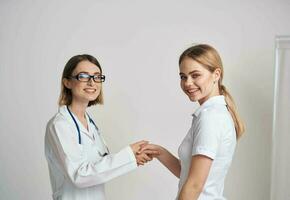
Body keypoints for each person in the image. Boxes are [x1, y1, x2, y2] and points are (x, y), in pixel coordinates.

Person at [44, 54, 158, 200]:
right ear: (67, 82)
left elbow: (98, 167)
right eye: (84, 76)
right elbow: (80, 176)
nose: (92, 82)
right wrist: (128, 153)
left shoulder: (90, 124)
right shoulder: (60, 125)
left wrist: (133, 159)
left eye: (97, 77)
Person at [141, 44, 245, 200]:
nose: (188, 83)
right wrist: (159, 151)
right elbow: (188, 173)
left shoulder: (210, 117)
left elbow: (195, 184)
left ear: (216, 74)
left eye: (195, 75)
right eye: (183, 76)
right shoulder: (215, 113)